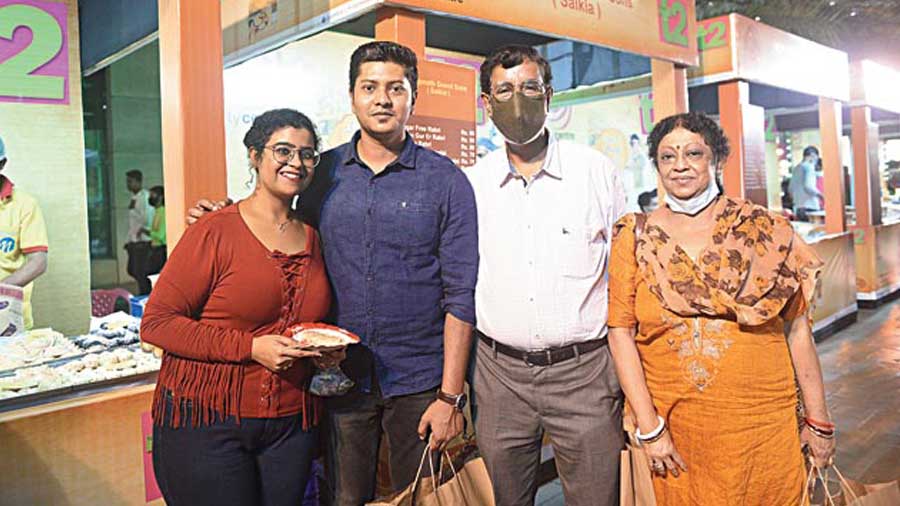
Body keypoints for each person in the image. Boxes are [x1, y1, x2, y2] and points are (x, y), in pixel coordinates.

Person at [187, 42, 478, 506]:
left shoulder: (446, 181)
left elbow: (461, 294)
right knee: (343, 498)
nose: (382, 99)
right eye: (370, 87)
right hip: (336, 378)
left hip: (420, 381)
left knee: (421, 499)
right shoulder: (322, 174)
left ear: (413, 99)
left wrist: (450, 397)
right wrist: (224, 214)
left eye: (395, 88)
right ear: (352, 96)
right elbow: (273, 218)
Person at [608, 112, 836, 505]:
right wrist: (650, 427)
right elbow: (620, 332)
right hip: (676, 434)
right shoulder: (636, 237)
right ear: (656, 166)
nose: (680, 165)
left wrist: (819, 422)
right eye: (667, 156)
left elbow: (798, 332)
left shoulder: (765, 231)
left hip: (763, 429)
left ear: (717, 159)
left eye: (693, 153)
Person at [141, 109, 341, 506]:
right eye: (282, 150)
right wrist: (251, 347)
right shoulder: (215, 229)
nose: (295, 163)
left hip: (290, 424)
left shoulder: (315, 238)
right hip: (207, 419)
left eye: (307, 154)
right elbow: (157, 324)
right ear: (254, 156)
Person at [465, 44, 626, 506]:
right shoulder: (472, 186)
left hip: (586, 374)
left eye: (529, 87)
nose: (518, 100)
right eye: (504, 90)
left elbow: (624, 277)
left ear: (549, 94)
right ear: (486, 102)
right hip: (499, 377)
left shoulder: (594, 172)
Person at [0, 135, 49, 332]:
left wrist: (1, 288)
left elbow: (38, 262)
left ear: (2, 164)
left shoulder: (24, 205)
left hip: (6, 313)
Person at [124, 169, 154, 294]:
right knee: (133, 270)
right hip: (134, 240)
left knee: (140, 272)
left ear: (138, 182)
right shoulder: (134, 197)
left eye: (130, 181)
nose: (128, 184)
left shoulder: (145, 197)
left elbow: (147, 218)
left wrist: (143, 233)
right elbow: (133, 221)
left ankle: (145, 296)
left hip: (143, 241)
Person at [789, 146, 823, 221]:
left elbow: (790, 189)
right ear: (813, 155)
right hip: (810, 206)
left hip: (798, 208)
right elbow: (809, 186)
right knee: (814, 230)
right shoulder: (809, 167)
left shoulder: (796, 169)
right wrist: (821, 195)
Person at [145, 185, 166, 277]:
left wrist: (148, 232)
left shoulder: (163, 211)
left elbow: (161, 235)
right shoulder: (156, 211)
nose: (150, 198)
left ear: (161, 197)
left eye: (153, 195)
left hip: (160, 249)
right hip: (154, 248)